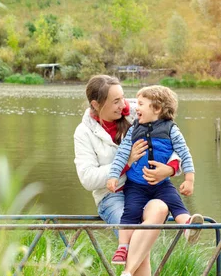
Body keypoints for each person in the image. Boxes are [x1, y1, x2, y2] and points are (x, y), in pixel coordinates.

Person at [74, 75, 182, 276]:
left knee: (160, 208)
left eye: (123, 97)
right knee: (136, 238)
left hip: (147, 189)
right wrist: (126, 162)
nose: (123, 104)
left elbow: (175, 141)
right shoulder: (84, 133)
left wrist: (171, 168)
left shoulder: (139, 111)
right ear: (96, 104)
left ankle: (127, 272)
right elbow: (88, 179)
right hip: (111, 196)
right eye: (115, 101)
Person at [107, 85, 204, 276]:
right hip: (135, 185)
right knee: (131, 211)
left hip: (161, 184)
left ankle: (188, 226)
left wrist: (189, 179)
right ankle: (123, 247)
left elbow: (185, 154)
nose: (136, 108)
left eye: (141, 104)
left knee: (175, 203)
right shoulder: (134, 129)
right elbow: (122, 155)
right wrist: (113, 175)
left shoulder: (172, 130)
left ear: (157, 109)